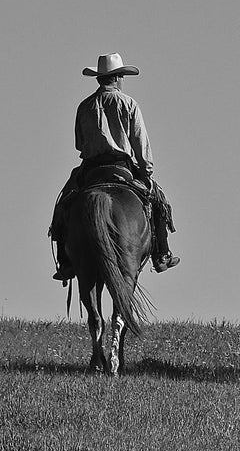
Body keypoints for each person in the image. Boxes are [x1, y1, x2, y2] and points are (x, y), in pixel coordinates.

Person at [49, 53, 180, 282]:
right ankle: (162, 253)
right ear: (118, 77)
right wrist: (146, 171)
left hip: (91, 168)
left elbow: (79, 143)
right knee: (159, 201)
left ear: (100, 78)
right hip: (122, 166)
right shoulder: (128, 103)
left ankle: (65, 260)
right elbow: (141, 142)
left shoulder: (85, 105)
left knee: (64, 204)